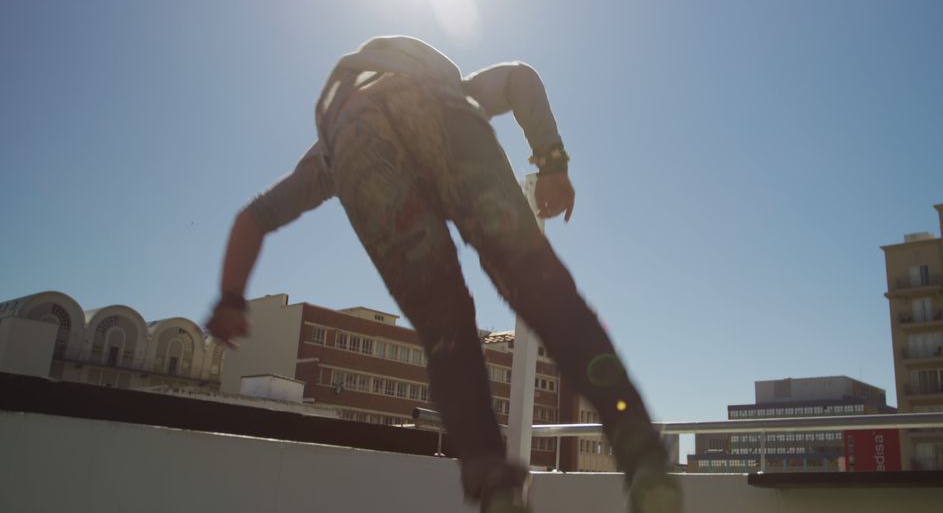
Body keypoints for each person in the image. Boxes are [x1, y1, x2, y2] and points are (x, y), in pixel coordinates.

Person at [206, 36, 682, 513]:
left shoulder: (325, 152)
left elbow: (256, 216)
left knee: (446, 331)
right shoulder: (454, 86)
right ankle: (642, 456)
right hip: (443, 114)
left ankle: (496, 487)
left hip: (355, 146)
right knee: (543, 291)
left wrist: (230, 299)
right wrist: (551, 160)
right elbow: (520, 77)